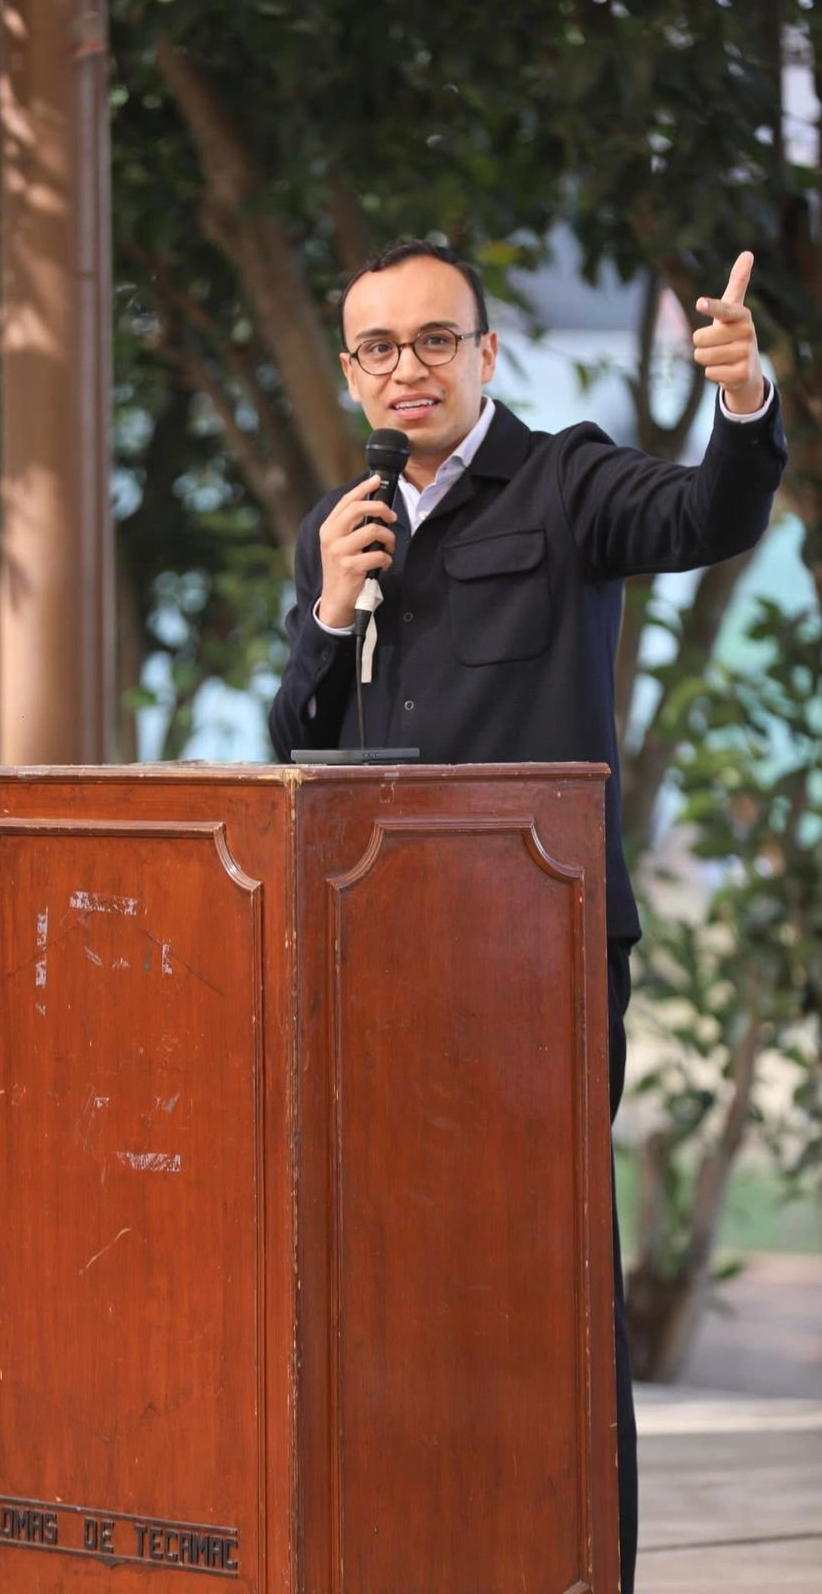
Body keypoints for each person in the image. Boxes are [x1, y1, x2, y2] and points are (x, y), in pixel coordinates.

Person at [268, 237, 787, 1592]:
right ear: (352, 371)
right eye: (379, 348)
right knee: (394, 1273)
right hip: (375, 969)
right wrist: (328, 608)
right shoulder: (345, 521)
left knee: (546, 1272)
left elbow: (708, 517)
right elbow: (296, 748)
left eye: (436, 339)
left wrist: (742, 397)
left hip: (534, 962)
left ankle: (577, 1566)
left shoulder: (568, 481)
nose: (409, 368)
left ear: (487, 353)